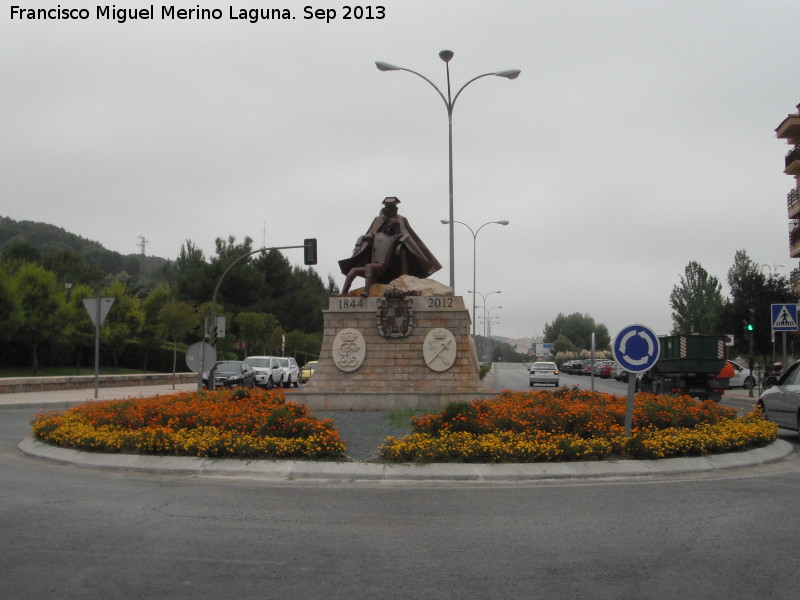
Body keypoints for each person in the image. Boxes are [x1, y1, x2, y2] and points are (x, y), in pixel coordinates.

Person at [338, 197, 442, 296]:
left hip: (391, 256)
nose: (390, 210)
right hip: (377, 255)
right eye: (388, 208)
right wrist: (358, 246)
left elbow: (407, 235)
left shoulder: (401, 219)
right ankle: (359, 289)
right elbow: (369, 235)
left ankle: (404, 279)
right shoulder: (378, 220)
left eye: (392, 208)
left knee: (404, 251)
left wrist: (400, 244)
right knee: (369, 257)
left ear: (396, 208)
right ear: (385, 208)